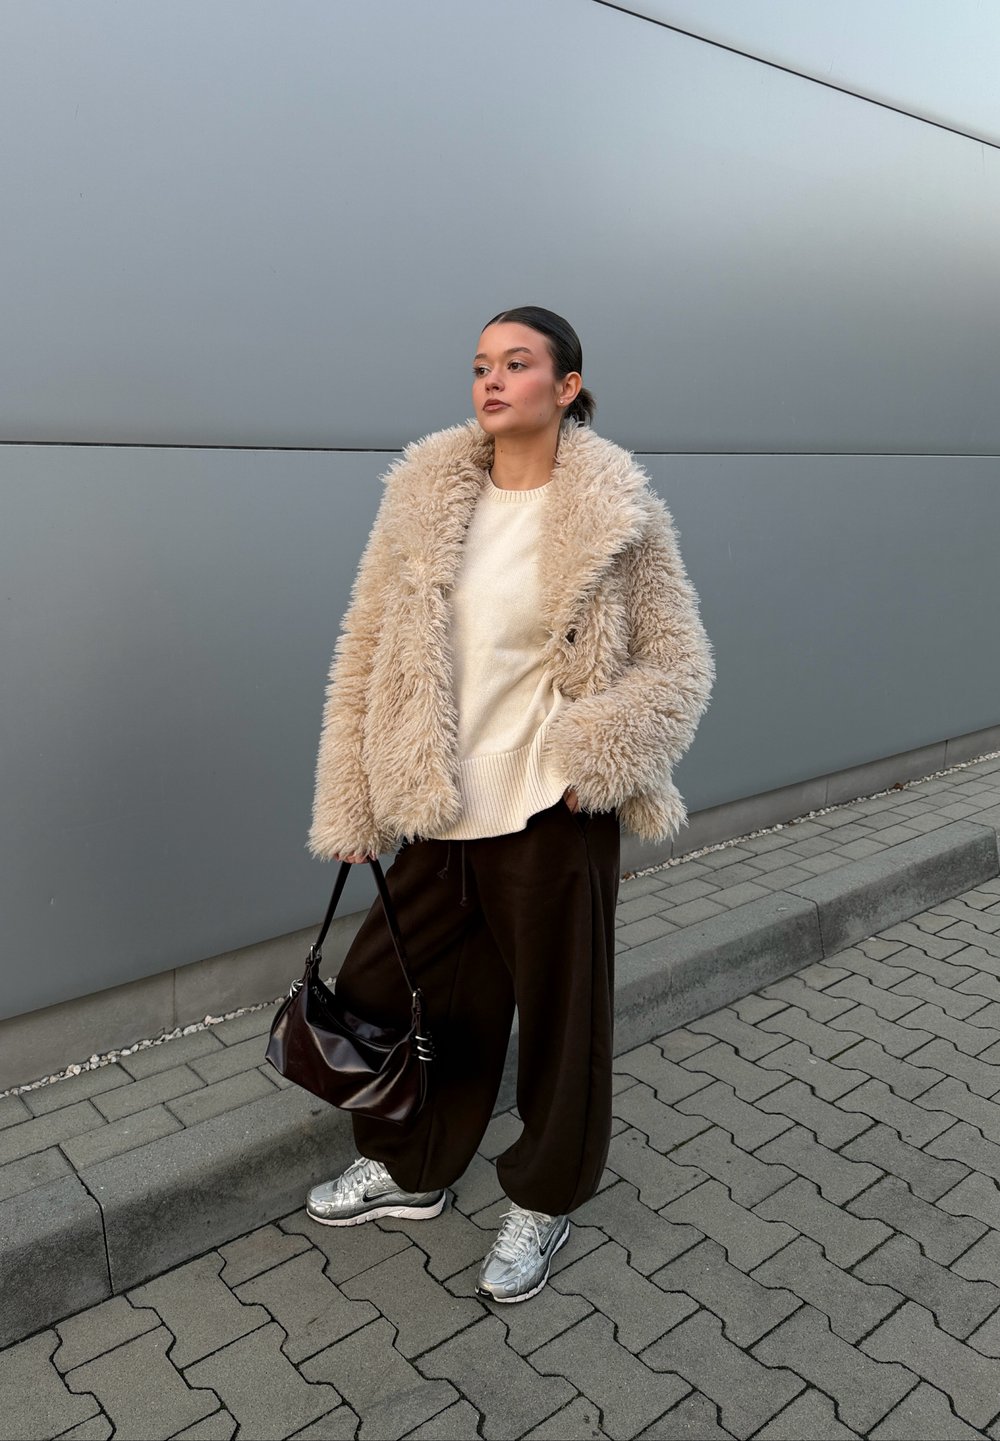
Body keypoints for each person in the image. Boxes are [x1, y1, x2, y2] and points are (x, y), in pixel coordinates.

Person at [304, 305, 715, 1302]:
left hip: (550, 809)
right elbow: (366, 650)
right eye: (481, 364)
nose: (491, 380)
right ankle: (415, 1164)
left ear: (565, 386)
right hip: (440, 803)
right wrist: (352, 797)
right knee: (393, 991)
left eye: (516, 363)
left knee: (563, 1019)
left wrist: (599, 753)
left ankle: (544, 1195)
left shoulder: (618, 511)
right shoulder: (426, 497)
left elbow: (678, 661)